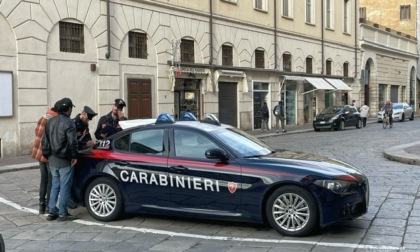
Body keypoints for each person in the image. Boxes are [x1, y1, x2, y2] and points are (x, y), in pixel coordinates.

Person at [42, 97, 78, 221]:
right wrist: (74, 156)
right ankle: (63, 212)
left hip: (52, 158)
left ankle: (52, 211)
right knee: (64, 186)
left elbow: (44, 140)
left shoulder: (50, 121)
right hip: (64, 158)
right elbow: (73, 142)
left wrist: (47, 155)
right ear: (68, 108)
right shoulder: (69, 122)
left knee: (55, 185)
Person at [31, 106, 58, 214]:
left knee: (43, 179)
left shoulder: (42, 117)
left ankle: (41, 205)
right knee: (51, 180)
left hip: (39, 152)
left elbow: (36, 131)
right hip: (48, 154)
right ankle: (48, 206)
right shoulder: (54, 120)